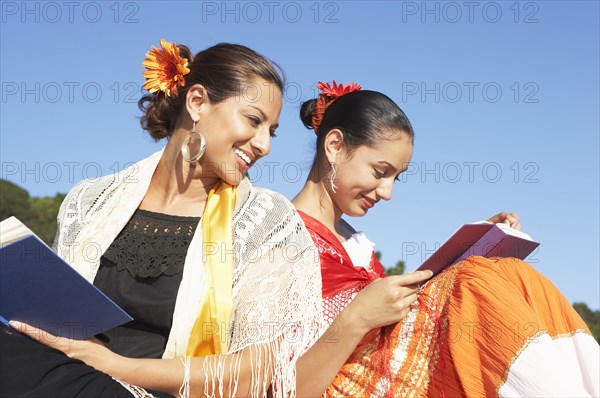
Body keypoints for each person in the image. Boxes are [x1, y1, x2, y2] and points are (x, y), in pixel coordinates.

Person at [1, 41, 324, 398]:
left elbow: (255, 372)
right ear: (197, 102)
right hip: (56, 372)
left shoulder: (269, 225)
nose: (265, 145)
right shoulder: (91, 200)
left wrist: (107, 363)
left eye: (271, 131)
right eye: (254, 120)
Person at [291, 81, 600, 397]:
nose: (387, 192)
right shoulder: (282, 237)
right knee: (476, 280)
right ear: (334, 146)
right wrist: (356, 317)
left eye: (396, 177)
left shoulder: (356, 246)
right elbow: (277, 382)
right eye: (380, 171)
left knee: (511, 275)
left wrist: (471, 247)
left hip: (390, 375)